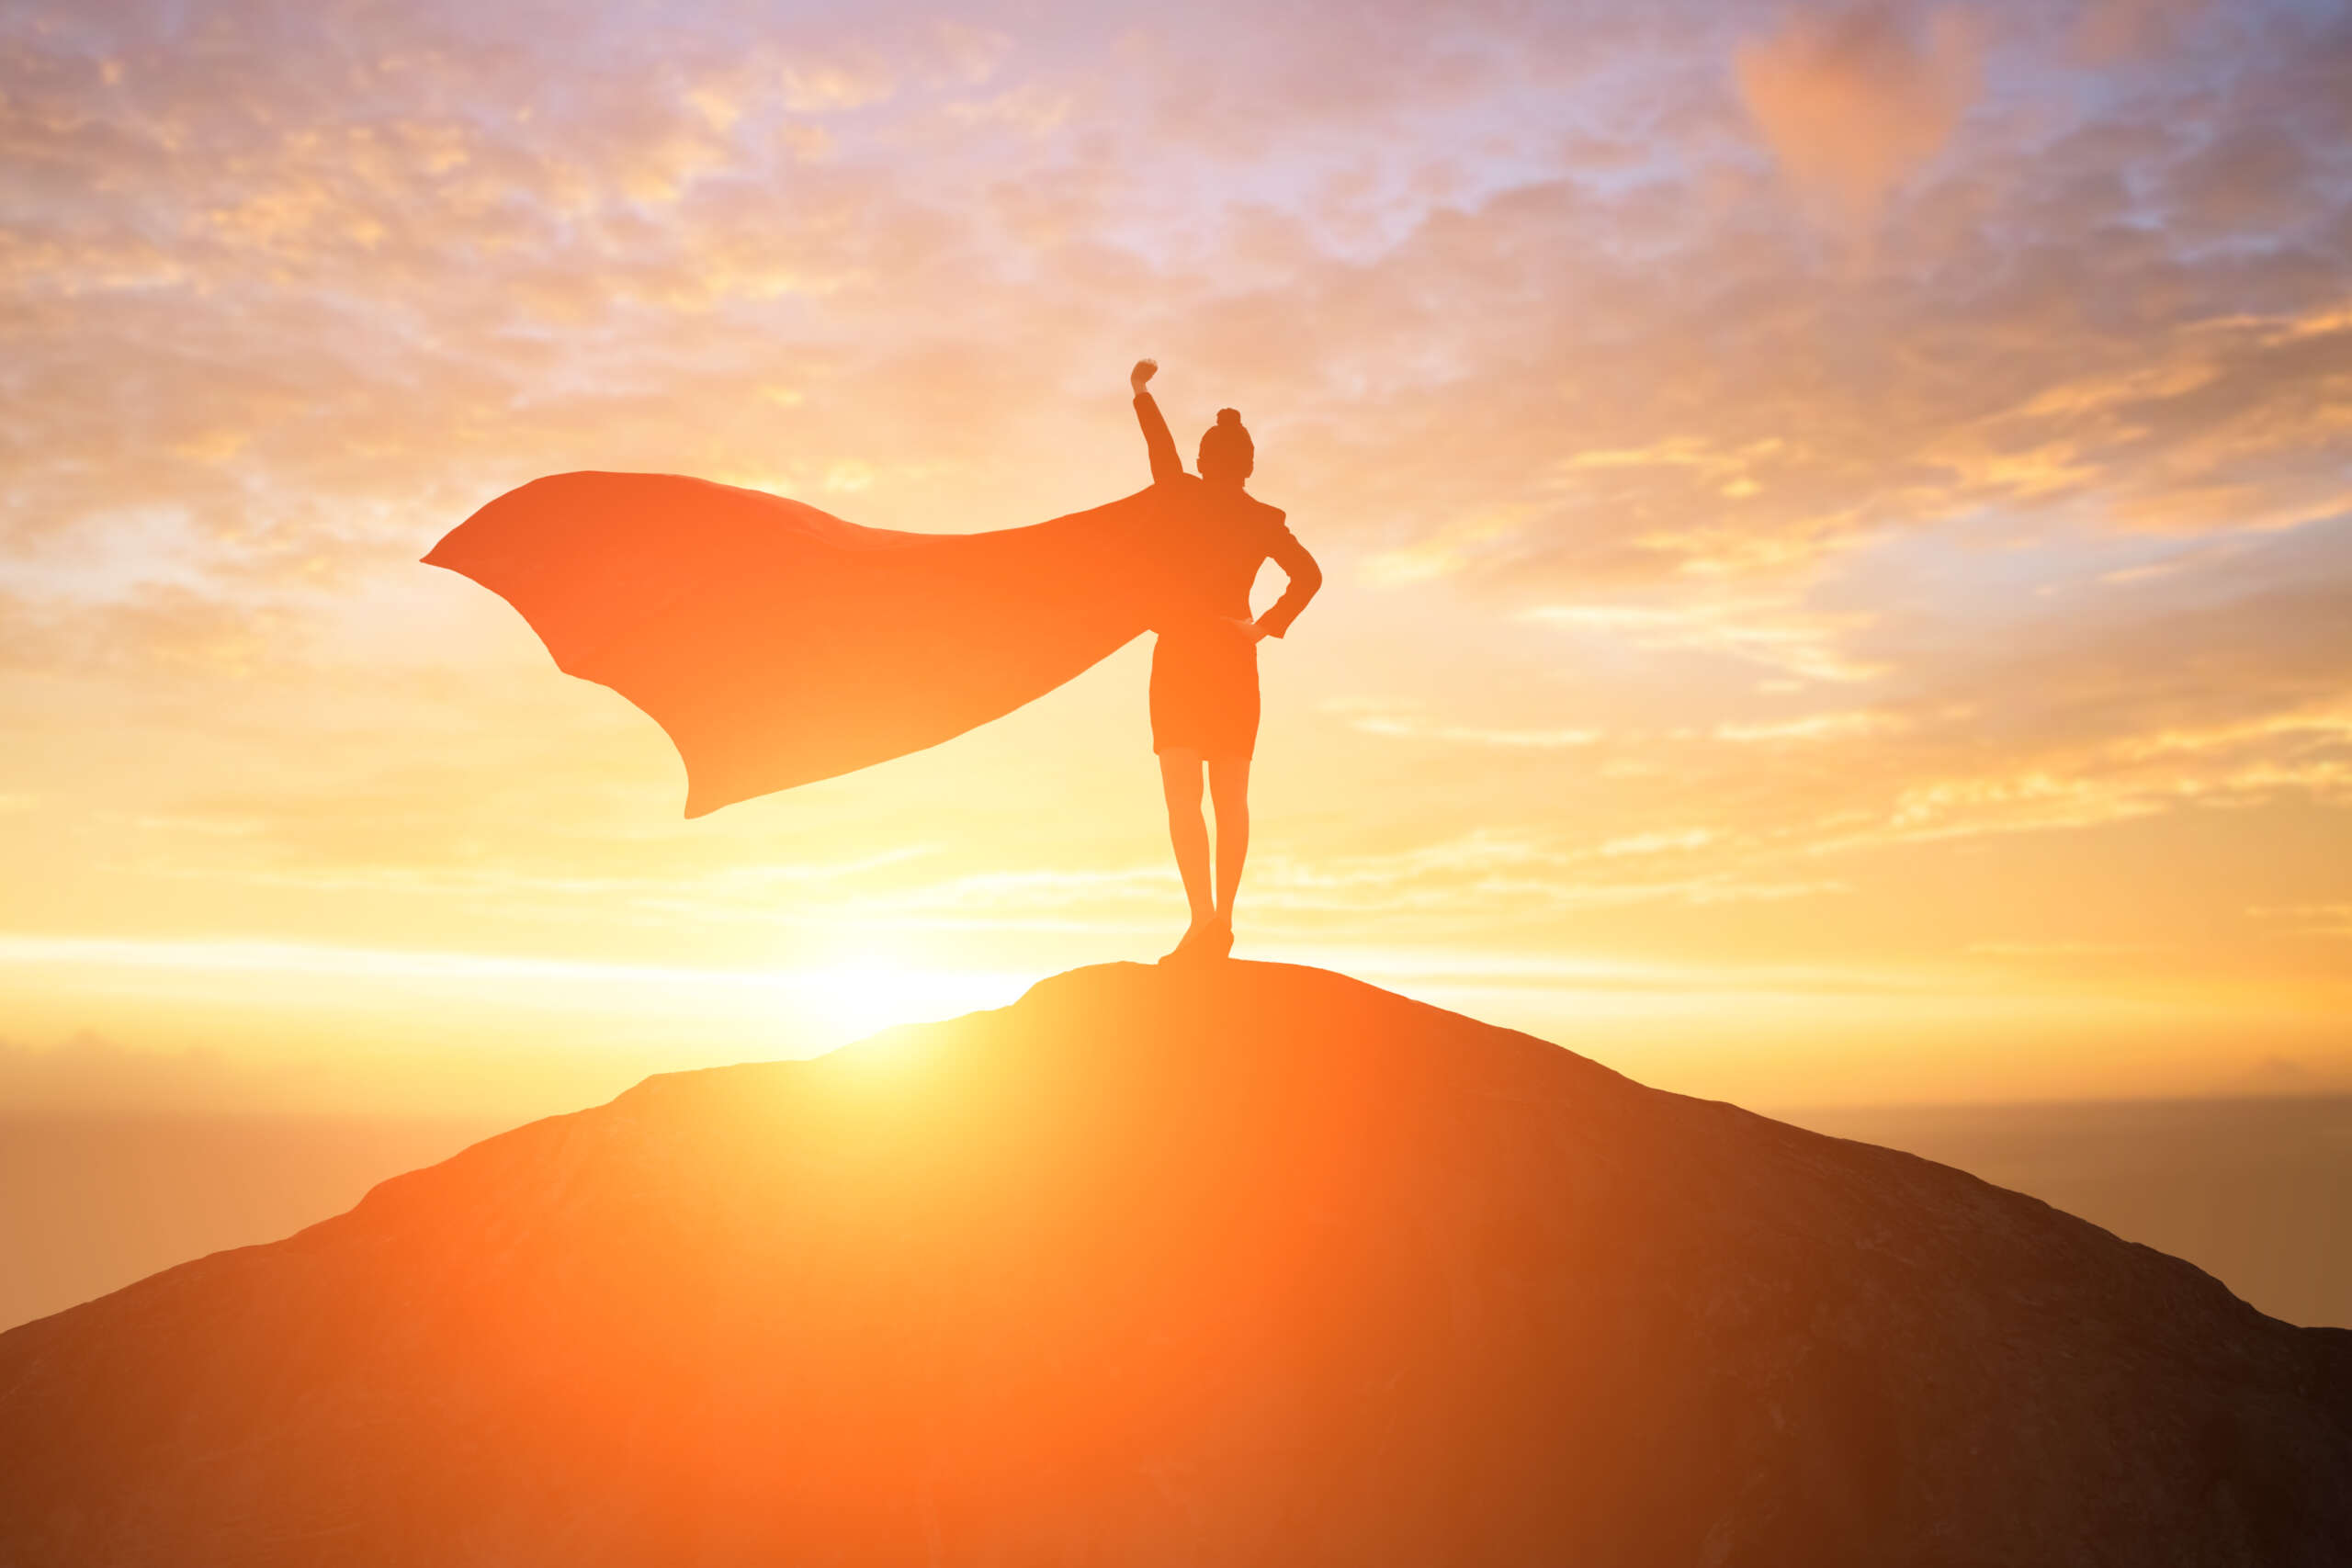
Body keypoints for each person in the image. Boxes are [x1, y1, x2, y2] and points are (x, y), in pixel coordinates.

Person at [1129, 358, 1321, 962]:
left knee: (1183, 794)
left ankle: (1203, 920)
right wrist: (1262, 627)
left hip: (1183, 655)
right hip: (1234, 657)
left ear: (1207, 461)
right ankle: (1223, 922)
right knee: (1230, 795)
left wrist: (1140, 393)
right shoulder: (1261, 519)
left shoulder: (1183, 495)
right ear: (1248, 467)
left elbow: (1160, 449)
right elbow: (1309, 576)